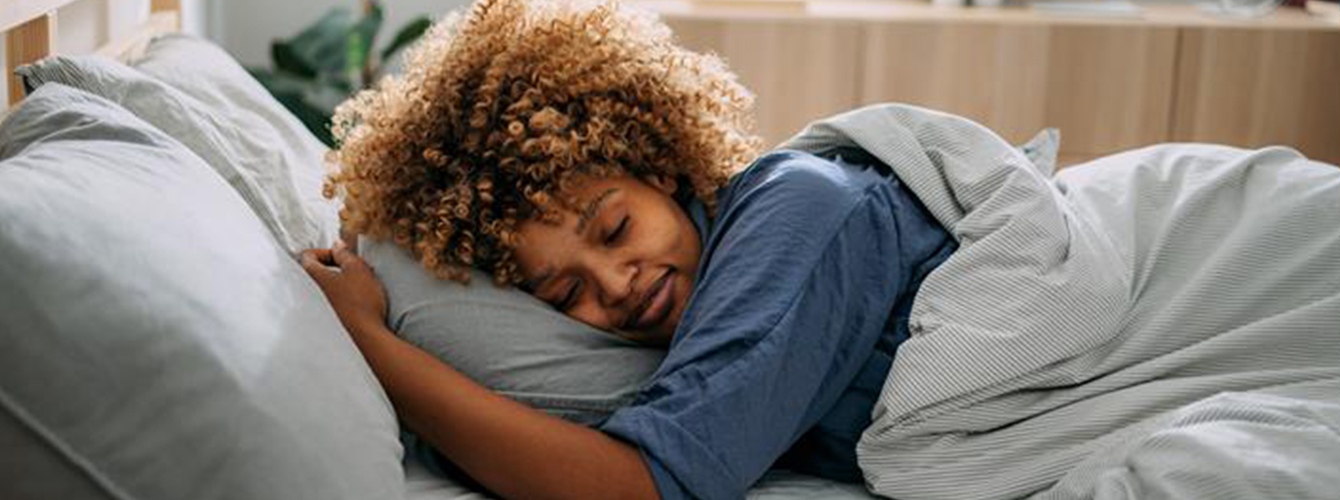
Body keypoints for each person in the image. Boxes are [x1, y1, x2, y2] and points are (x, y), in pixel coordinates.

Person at [299, 0, 956, 498]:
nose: (614, 285)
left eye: (615, 229)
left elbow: (640, 485)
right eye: (566, 293)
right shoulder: (684, 320)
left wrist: (369, 340)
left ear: (659, 167)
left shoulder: (794, 211)